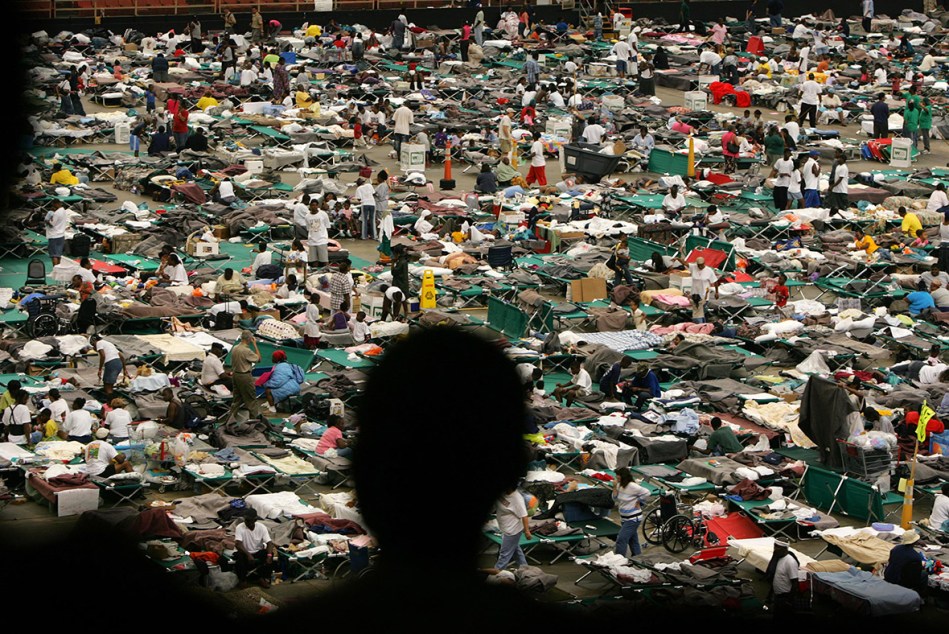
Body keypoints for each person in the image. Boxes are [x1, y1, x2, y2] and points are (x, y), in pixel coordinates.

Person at [612, 467, 650, 557]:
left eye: (618, 475)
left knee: (621, 539)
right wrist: (614, 487)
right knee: (633, 540)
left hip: (633, 518)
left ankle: (619, 559)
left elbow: (647, 493)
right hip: (624, 518)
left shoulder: (632, 486)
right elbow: (614, 498)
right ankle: (637, 556)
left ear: (623, 476)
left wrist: (639, 501)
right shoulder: (619, 485)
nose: (616, 477)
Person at [235, 509, 276, 588]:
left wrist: (269, 555)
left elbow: (269, 543)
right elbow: (238, 544)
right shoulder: (239, 527)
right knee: (239, 559)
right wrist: (248, 555)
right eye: (246, 520)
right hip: (245, 552)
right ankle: (243, 580)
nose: (248, 523)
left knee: (269, 556)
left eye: (250, 521)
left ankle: (262, 578)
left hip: (257, 551)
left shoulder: (261, 527)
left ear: (255, 520)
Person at [495, 487, 531, 569]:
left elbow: (524, 516)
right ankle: (526, 571)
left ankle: (496, 574)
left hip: (513, 530)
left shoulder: (517, 498)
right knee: (516, 552)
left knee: (504, 554)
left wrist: (527, 531)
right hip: (505, 527)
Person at [228, 330, 261, 420]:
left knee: (237, 399)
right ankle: (254, 421)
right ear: (250, 339)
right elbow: (258, 359)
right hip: (244, 376)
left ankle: (230, 419)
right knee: (251, 399)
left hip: (235, 375)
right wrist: (255, 344)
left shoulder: (235, 348)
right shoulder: (246, 350)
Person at [766, 540, 800, 617]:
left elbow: (795, 582)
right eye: (775, 547)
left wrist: (789, 600)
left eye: (778, 547)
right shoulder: (778, 558)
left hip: (785, 597)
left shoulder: (790, 562)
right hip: (778, 596)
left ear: (784, 549)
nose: (775, 549)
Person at [306, 200, 331, 267]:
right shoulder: (307, 216)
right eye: (312, 205)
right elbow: (308, 228)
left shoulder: (323, 214)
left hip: (322, 240)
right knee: (314, 261)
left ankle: (326, 272)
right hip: (312, 241)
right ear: (310, 206)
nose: (314, 207)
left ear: (318, 206)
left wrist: (324, 236)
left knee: (324, 260)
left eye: (315, 205)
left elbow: (328, 226)